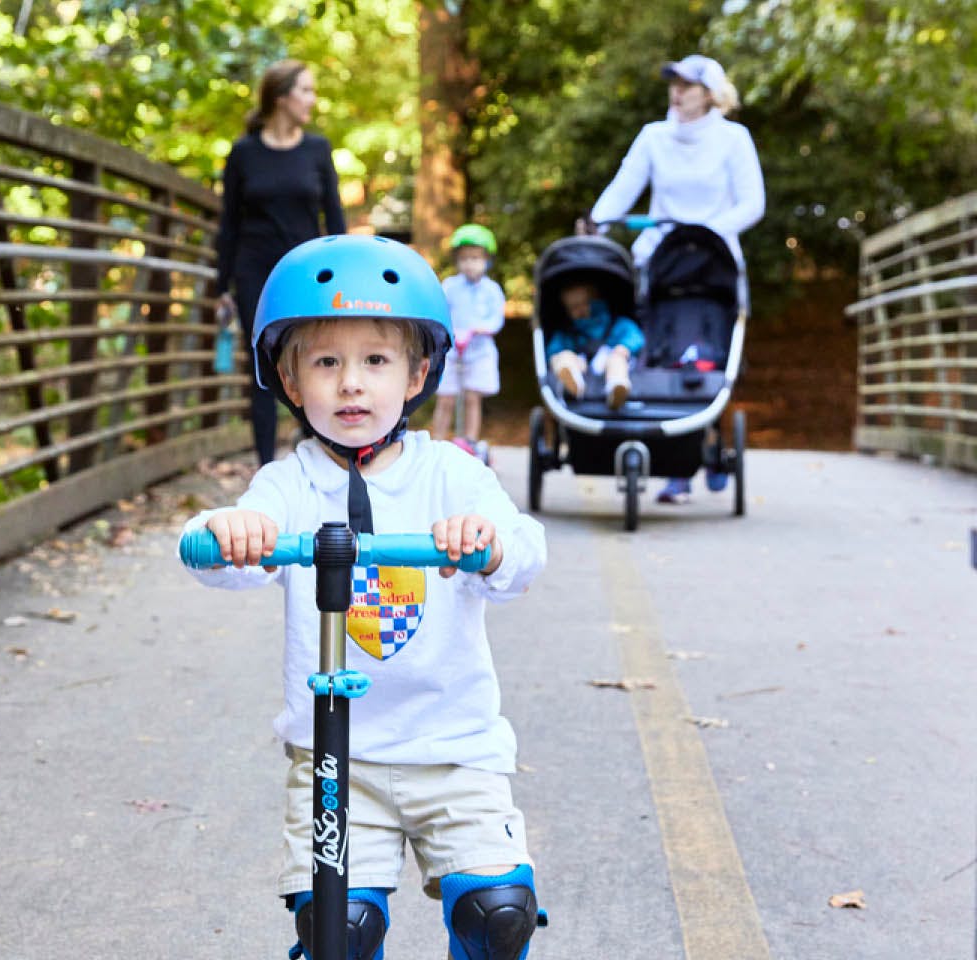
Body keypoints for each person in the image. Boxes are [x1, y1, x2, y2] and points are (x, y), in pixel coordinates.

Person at [181, 235, 548, 960]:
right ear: (288, 380)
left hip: (456, 751)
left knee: (496, 912)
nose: (352, 383)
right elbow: (216, 556)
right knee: (338, 932)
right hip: (335, 760)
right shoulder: (289, 486)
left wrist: (492, 542)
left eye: (375, 360)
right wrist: (228, 530)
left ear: (416, 375)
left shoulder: (451, 474)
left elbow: (524, 552)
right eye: (326, 362)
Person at [582, 53, 764, 503]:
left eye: (687, 85)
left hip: (713, 260)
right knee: (657, 351)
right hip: (660, 262)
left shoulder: (733, 139)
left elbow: (752, 203)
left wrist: (707, 231)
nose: (677, 92)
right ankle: (671, 462)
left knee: (709, 355)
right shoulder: (654, 137)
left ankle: (709, 438)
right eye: (674, 84)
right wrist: (598, 222)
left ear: (710, 94)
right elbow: (625, 187)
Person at [216, 59, 347, 467]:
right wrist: (222, 288)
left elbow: (335, 218)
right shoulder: (243, 153)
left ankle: (319, 460)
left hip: (308, 273)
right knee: (261, 368)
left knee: (312, 359)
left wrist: (340, 273)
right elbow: (229, 223)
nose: (312, 99)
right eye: (306, 90)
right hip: (254, 271)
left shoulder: (317, 149)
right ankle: (265, 470)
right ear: (281, 96)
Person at [431, 224, 505, 451]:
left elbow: (496, 319)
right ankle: (436, 444)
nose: (469, 264)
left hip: (478, 351)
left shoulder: (492, 290)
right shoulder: (450, 286)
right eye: (464, 259)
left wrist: (479, 329)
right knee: (446, 399)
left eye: (475, 258)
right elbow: (440, 311)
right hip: (452, 351)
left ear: (486, 260)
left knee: (473, 398)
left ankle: (470, 443)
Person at [546, 280, 645, 409]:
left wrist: (624, 347)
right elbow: (555, 348)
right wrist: (556, 357)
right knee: (563, 356)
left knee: (616, 360)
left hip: (608, 359)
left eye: (584, 304)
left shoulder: (617, 323)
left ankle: (616, 387)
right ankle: (572, 382)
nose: (580, 309)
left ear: (596, 302)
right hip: (581, 364)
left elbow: (634, 336)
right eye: (574, 307)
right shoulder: (568, 331)